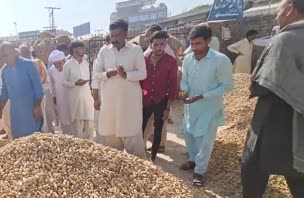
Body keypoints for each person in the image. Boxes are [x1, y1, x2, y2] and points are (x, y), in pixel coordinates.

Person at [227, 0, 304, 198]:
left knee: (254, 155)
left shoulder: (286, 39)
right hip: (300, 113)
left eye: (280, 9)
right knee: (297, 162)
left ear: (289, 9)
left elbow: (266, 81)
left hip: (278, 109)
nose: (277, 15)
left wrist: (254, 88)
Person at [179, 23, 233, 187]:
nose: (194, 48)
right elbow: (184, 80)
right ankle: (193, 160)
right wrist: (185, 91)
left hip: (209, 108)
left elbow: (227, 86)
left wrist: (203, 96)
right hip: (190, 106)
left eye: (198, 44)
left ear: (208, 41)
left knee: (205, 141)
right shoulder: (188, 59)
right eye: (192, 44)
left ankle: (199, 172)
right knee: (189, 134)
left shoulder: (221, 60)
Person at [93, 19, 147, 158]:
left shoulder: (135, 50)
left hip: (129, 104)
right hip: (110, 104)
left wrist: (126, 74)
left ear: (125, 34)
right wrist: (108, 74)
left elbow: (143, 74)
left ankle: (140, 176)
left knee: (133, 141)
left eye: (118, 35)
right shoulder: (104, 51)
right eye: (112, 35)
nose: (114, 39)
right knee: (112, 148)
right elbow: (97, 73)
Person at [140, 31, 178, 162]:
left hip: (161, 100)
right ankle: (139, 156)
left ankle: (153, 157)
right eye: (155, 44)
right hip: (144, 100)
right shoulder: (143, 60)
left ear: (165, 44)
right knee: (141, 127)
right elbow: (139, 81)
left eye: (162, 44)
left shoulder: (171, 61)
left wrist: (168, 108)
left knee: (158, 129)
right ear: (151, 45)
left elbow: (173, 85)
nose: (159, 48)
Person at [0, 42, 44, 139]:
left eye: (7, 55)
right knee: (19, 141)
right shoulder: (5, 71)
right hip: (16, 113)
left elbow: (38, 88)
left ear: (14, 52)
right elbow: (4, 92)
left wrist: (37, 106)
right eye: (3, 56)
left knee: (34, 139)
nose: (5, 58)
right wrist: (0, 110)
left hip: (30, 110)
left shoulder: (28, 65)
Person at [19, 44, 56, 134]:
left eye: (28, 52)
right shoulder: (17, 68)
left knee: (46, 122)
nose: (26, 55)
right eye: (23, 53)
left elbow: (46, 82)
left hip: (41, 98)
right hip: (27, 101)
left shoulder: (37, 63)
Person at [62, 41, 94, 140]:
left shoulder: (85, 63)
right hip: (75, 99)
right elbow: (63, 82)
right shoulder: (68, 64)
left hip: (86, 97)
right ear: (74, 50)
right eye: (81, 48)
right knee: (77, 127)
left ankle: (90, 146)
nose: (83, 50)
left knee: (89, 123)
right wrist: (75, 84)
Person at [91, 35, 111, 144]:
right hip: (101, 96)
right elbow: (95, 82)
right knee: (100, 124)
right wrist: (96, 100)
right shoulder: (98, 61)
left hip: (113, 97)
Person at [48, 50, 72, 135]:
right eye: (55, 64)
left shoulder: (69, 66)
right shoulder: (51, 70)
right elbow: (51, 85)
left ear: (63, 60)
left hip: (71, 95)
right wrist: (54, 96)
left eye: (59, 63)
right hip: (59, 96)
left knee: (72, 115)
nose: (57, 65)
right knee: (63, 116)